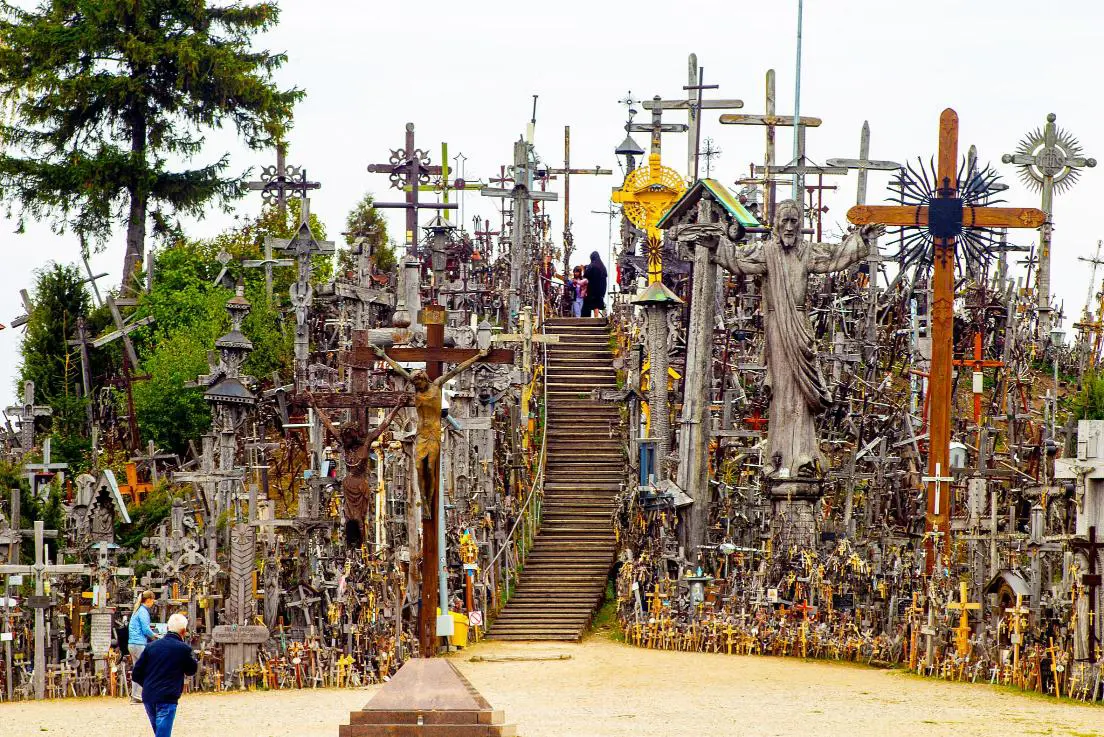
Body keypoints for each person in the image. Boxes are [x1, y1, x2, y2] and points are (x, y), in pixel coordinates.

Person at [132, 612, 198, 737]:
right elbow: (191, 670)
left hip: (149, 696)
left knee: (159, 733)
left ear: (167, 628)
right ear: (183, 631)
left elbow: (136, 673)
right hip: (168, 696)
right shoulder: (183, 649)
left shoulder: (151, 647)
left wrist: (148, 685)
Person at [128, 590, 158, 703]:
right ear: (148, 600)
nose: (153, 603)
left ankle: (135, 696)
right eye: (153, 600)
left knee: (138, 670)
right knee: (148, 668)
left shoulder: (137, 610)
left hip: (132, 644)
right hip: (139, 644)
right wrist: (155, 636)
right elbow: (146, 629)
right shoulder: (143, 612)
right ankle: (144, 694)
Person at [582, 251, 607, 317]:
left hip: (592, 288)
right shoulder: (603, 267)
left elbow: (586, 275)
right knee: (596, 305)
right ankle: (596, 317)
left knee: (590, 304)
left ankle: (590, 319)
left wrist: (584, 269)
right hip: (601, 289)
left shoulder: (591, 266)